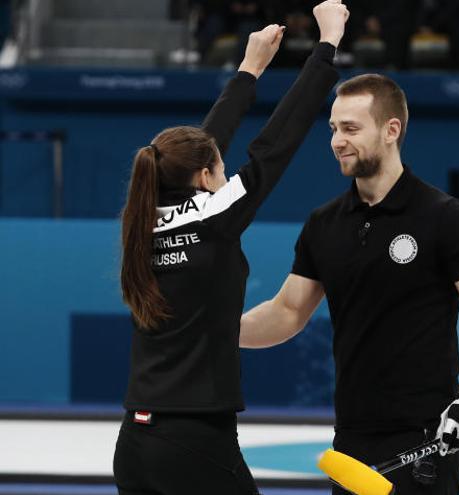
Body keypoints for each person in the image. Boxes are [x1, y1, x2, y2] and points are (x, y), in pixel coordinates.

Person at [112, 2, 348, 494]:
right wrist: (326, 46)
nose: (225, 177)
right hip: (195, 439)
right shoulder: (215, 217)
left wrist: (250, 69)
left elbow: (201, 148)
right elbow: (275, 145)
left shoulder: (144, 217)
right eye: (218, 172)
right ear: (203, 180)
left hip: (135, 441)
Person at [240, 74, 459, 494]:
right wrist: (213, 332)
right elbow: (288, 312)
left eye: (350, 129)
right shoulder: (323, 223)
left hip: (426, 439)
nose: (336, 141)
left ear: (391, 130)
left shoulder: (444, 217)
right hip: (351, 438)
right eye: (333, 128)